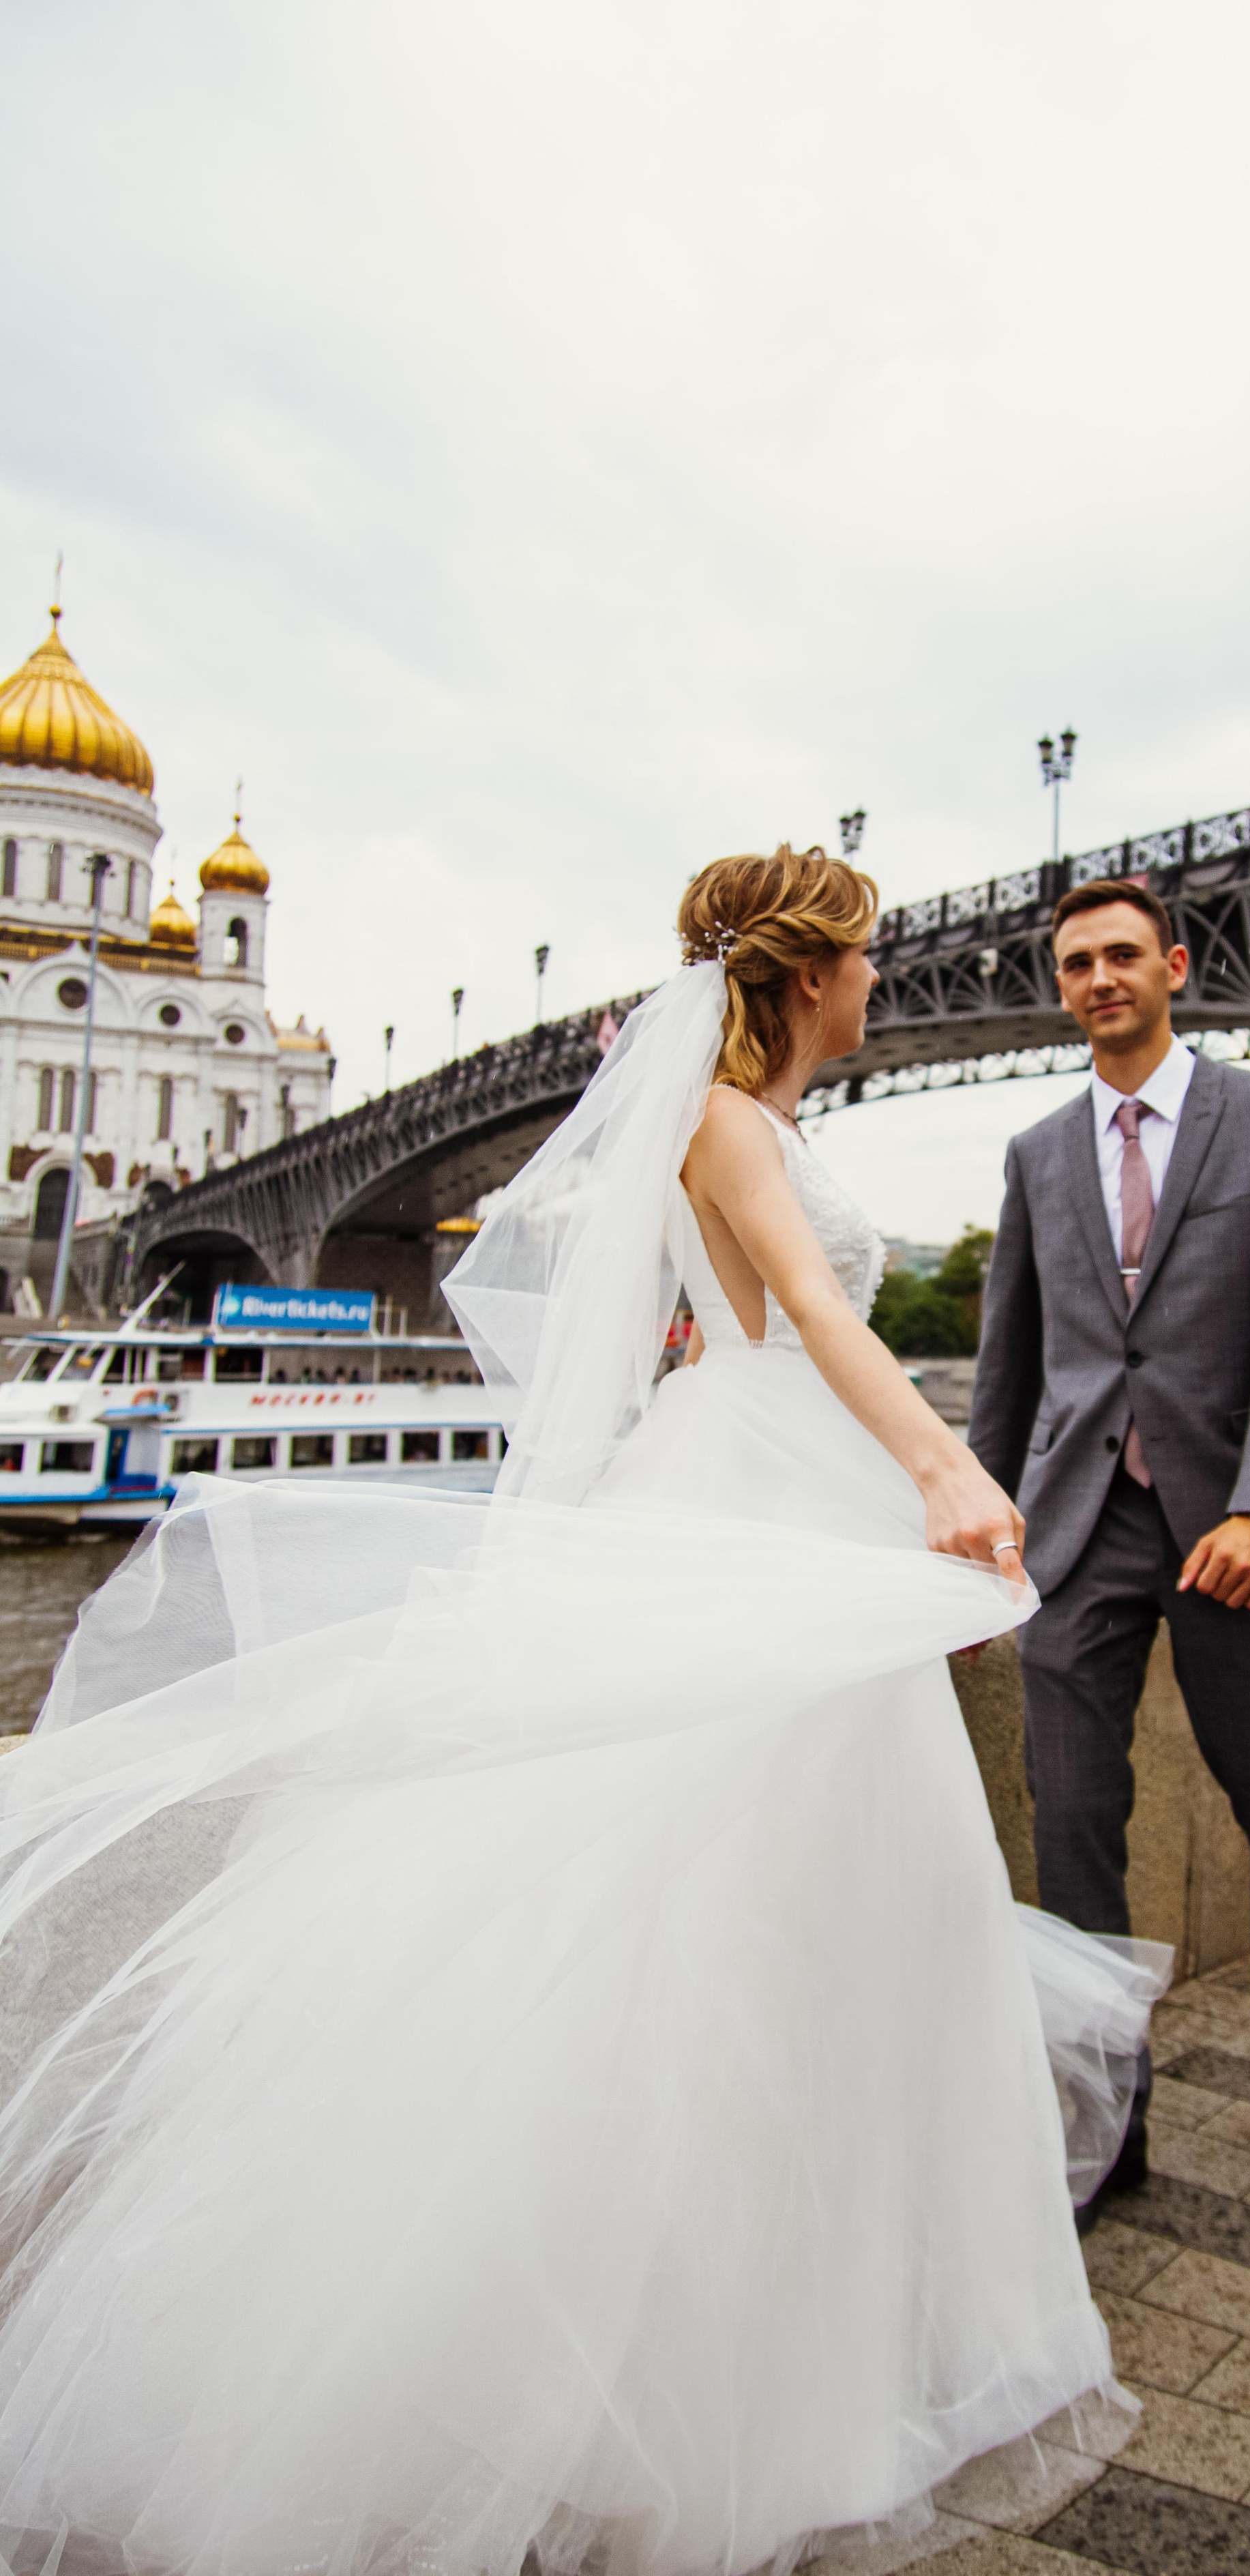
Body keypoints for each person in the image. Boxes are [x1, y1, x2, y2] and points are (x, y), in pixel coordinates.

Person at [0, 847, 1167, 2576]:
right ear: (802, 973)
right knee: (725, 1941)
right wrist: (947, 1470)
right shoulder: (722, 1121)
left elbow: (744, 1323)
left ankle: (805, 2316)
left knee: (813, 1930)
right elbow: (821, 1315)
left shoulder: (737, 1123)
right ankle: (692, 2371)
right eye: (862, 960)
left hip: (763, 1486)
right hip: (765, 1500)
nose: (876, 986)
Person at [970, 877, 1250, 2224]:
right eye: (1075, 963)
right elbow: (1010, 1366)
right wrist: (979, 1531)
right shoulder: (1036, 1152)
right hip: (1077, 1533)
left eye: (1121, 956)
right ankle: (1112, 2115)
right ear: (1061, 986)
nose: (1098, 979)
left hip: (1232, 1533)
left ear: (1174, 966)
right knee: (1077, 1825)